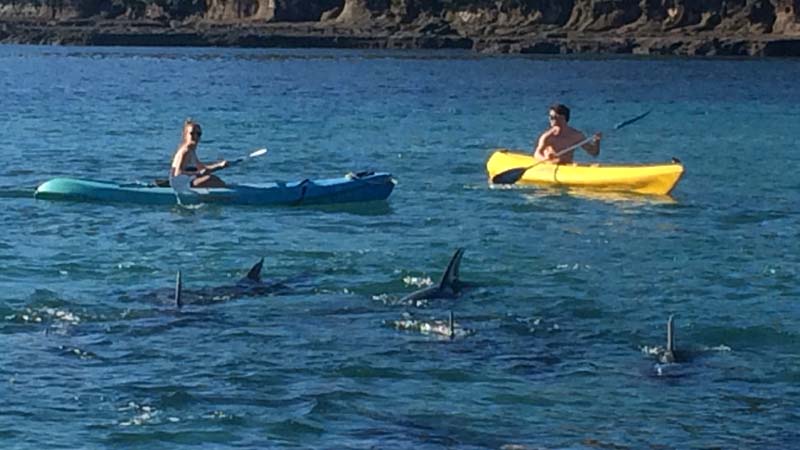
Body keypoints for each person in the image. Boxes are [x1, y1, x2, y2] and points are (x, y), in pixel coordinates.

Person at [533, 104, 602, 164]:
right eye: (550, 117)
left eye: (552, 117)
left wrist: (597, 141)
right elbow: (537, 154)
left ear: (562, 118)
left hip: (566, 167)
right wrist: (546, 159)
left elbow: (594, 153)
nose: (550, 119)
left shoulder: (576, 135)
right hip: (550, 165)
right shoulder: (548, 136)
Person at [170, 119, 229, 188]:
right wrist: (198, 173)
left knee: (214, 179)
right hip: (181, 184)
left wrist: (220, 166)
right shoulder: (185, 151)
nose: (195, 136)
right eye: (192, 133)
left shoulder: (191, 151)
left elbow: (202, 168)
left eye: (198, 134)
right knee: (210, 179)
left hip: (189, 181)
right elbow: (178, 173)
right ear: (186, 135)